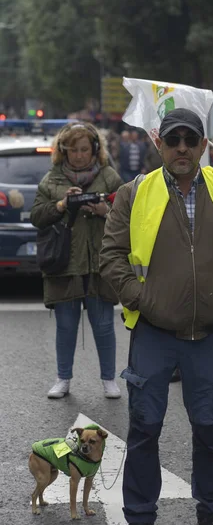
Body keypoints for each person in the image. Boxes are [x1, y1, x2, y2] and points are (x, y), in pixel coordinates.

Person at [100, 107, 213, 525]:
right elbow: (111, 256)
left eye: (190, 140)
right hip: (153, 333)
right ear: (159, 144)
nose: (181, 148)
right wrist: (140, 300)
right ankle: (139, 518)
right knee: (145, 427)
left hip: (206, 334)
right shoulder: (136, 192)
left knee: (210, 429)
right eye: (173, 140)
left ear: (203, 145)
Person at [31, 122, 122, 399]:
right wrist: (60, 206)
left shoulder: (109, 177)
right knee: (66, 326)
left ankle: (109, 379)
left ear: (95, 150)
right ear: (63, 151)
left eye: (85, 149)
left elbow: (129, 217)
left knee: (104, 325)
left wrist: (106, 210)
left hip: (99, 264)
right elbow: (37, 216)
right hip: (65, 264)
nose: (80, 155)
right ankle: (63, 378)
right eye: (74, 150)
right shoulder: (51, 181)